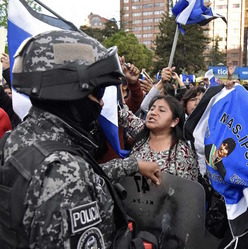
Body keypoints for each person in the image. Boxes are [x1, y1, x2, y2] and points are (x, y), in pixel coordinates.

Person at [0, 30, 161, 248]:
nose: (102, 104)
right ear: (71, 91)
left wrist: (133, 164)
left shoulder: (16, 139)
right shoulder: (66, 171)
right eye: (99, 93)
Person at [120, 94, 199, 181]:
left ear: (174, 121)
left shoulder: (183, 154)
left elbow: (187, 191)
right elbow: (122, 112)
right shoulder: (142, 132)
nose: (153, 113)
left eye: (161, 110)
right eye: (152, 109)